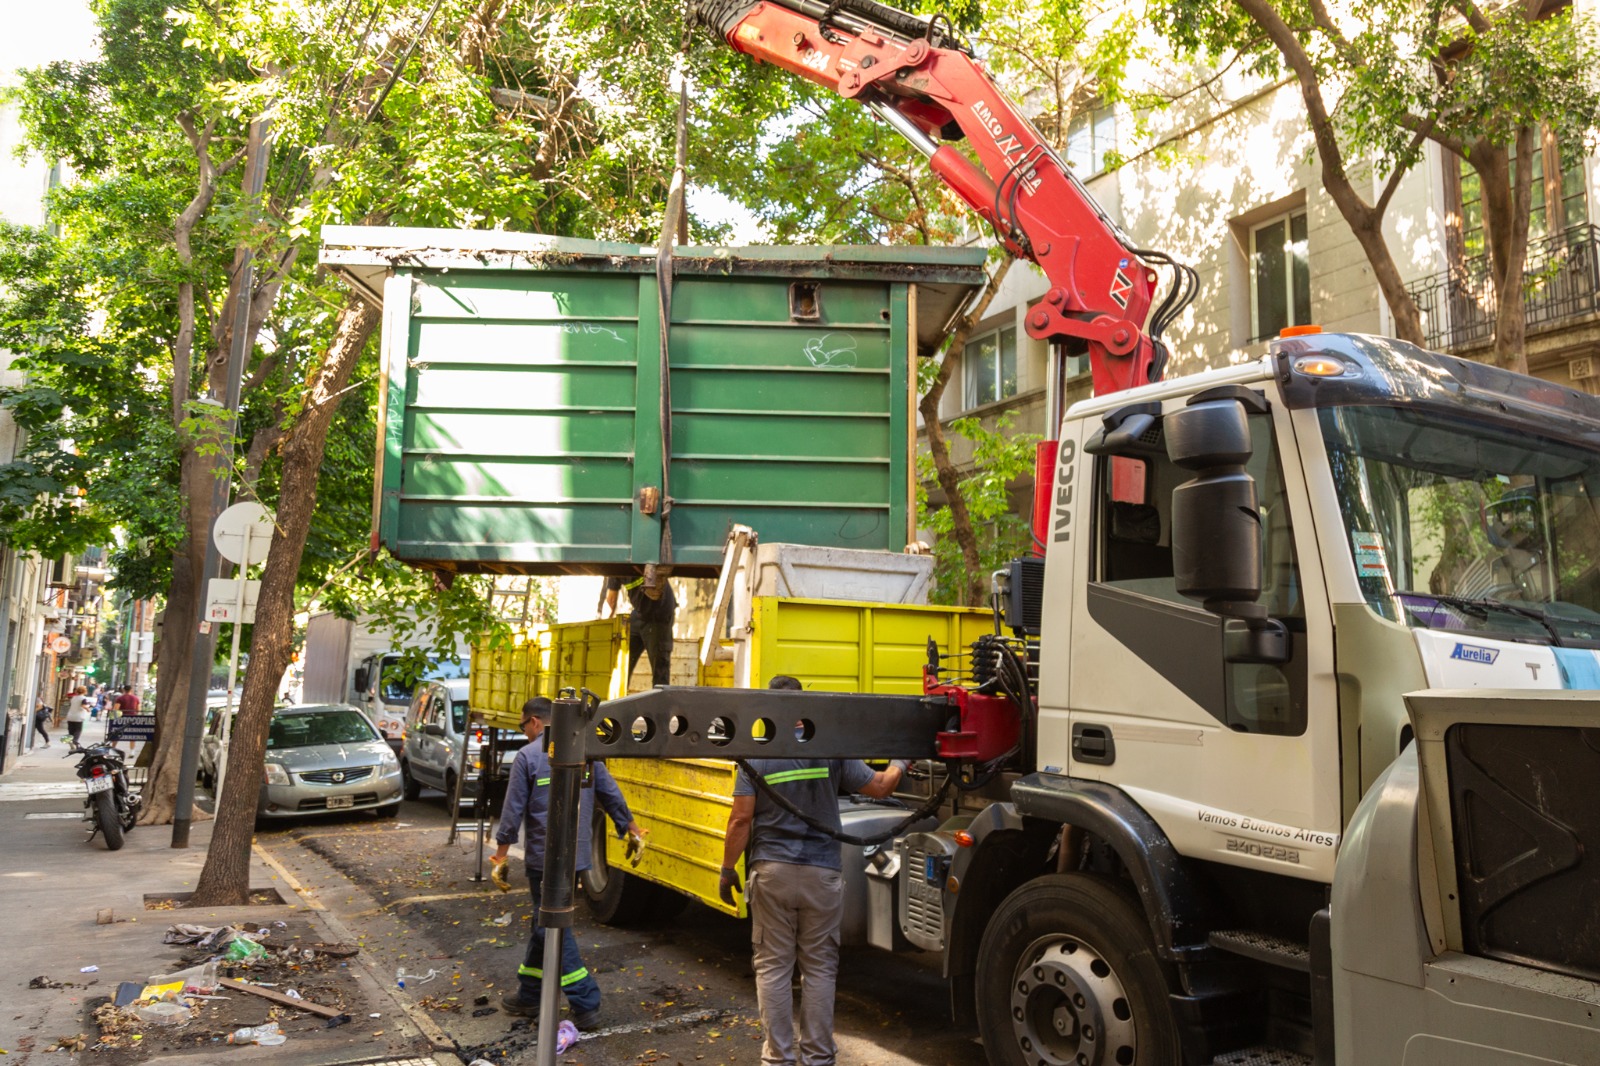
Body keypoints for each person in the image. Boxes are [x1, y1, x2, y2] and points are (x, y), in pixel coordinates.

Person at [719, 675, 909, 1066]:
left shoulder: (755, 755)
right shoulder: (829, 750)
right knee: (819, 969)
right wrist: (901, 760)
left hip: (772, 872)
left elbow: (740, 820)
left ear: (770, 712)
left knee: (773, 968)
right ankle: (819, 1058)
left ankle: (778, 1059)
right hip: (821, 874)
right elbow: (879, 787)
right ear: (804, 710)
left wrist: (726, 869)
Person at [491, 696, 646, 1029]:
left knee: (553, 925)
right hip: (575, 856)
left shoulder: (527, 757)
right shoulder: (584, 751)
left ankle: (585, 1000)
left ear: (535, 722)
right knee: (542, 922)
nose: (525, 732)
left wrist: (501, 856)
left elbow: (512, 810)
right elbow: (610, 793)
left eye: (523, 726)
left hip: (543, 860)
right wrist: (631, 828)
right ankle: (531, 993)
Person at [602, 572, 676, 687]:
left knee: (659, 671)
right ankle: (617, 700)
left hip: (659, 613)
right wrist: (605, 625)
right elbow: (610, 600)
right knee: (621, 662)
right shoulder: (616, 568)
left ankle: (660, 703)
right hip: (639, 612)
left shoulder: (639, 560)